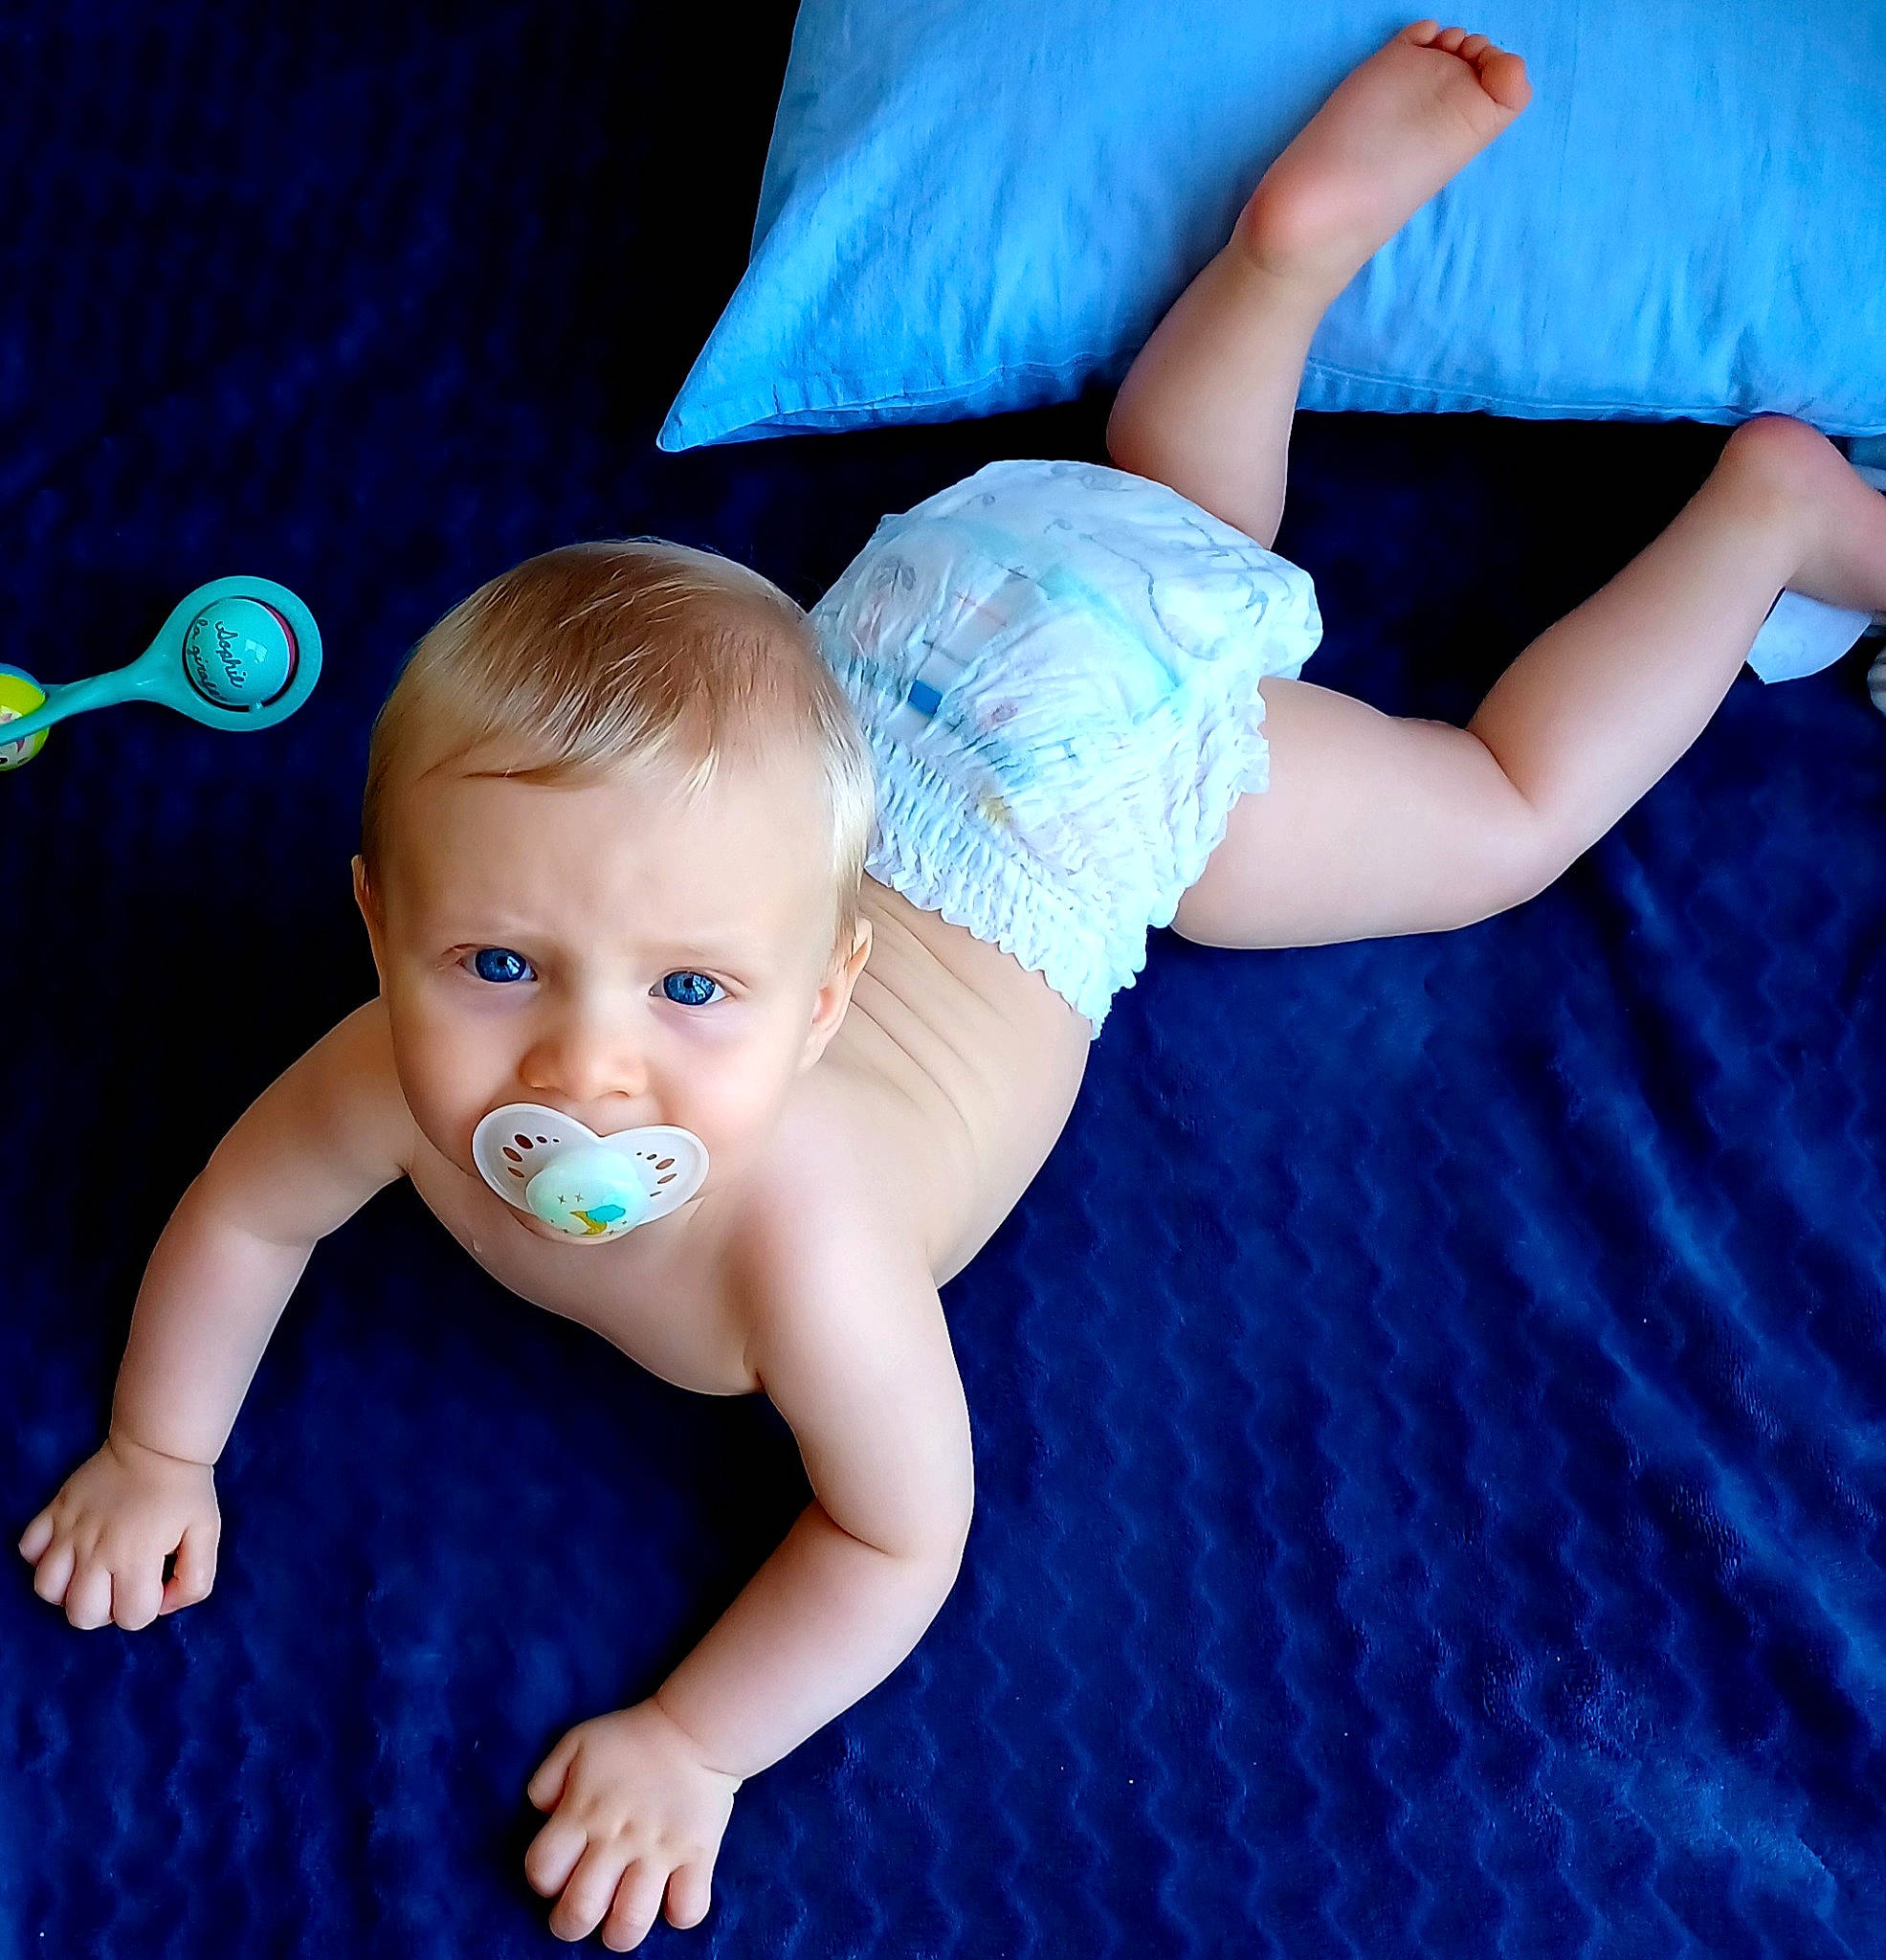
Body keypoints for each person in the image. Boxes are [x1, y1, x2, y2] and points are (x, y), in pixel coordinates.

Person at [22, 20, 1886, 1951]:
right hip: (915, 638)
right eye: (495, 961)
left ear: (823, 1008)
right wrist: (161, 1444)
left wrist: (696, 1739)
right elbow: (244, 1214)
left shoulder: (805, 1253)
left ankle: (1760, 519)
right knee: (1160, 521)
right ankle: (1278, 265)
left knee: (1494, 813)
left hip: (1073, 778)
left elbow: (895, 1534)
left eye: (692, 996)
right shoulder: (380, 1078)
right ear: (375, 923)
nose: (587, 1068)